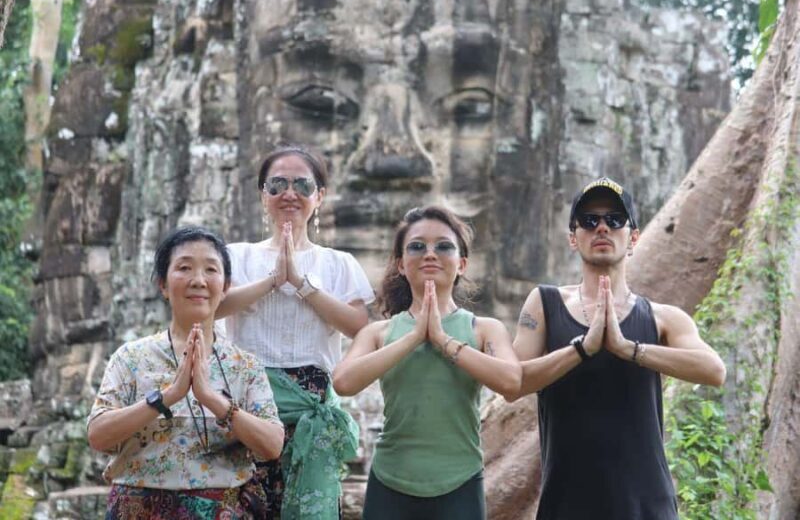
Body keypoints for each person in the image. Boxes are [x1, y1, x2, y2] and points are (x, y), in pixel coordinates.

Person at [512, 177, 727, 520]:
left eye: (614, 220)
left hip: (646, 505)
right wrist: (582, 350)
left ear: (633, 237)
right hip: (567, 503)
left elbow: (714, 370)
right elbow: (514, 382)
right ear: (573, 237)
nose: (601, 228)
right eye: (589, 220)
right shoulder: (544, 304)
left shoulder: (662, 318)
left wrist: (629, 349)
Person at [215, 144, 374, 519]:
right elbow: (212, 307)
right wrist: (271, 281)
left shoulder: (338, 264)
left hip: (311, 404)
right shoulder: (236, 256)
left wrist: (303, 285)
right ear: (263, 195)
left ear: (319, 196)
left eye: (302, 185)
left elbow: (358, 326)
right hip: (246, 403)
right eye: (278, 184)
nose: (290, 193)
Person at [333, 205, 521, 520]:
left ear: (461, 264)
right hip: (391, 480)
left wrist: (445, 342)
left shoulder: (484, 328)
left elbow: (511, 382)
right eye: (417, 246)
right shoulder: (379, 332)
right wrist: (413, 337)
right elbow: (343, 382)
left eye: (443, 246)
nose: (430, 254)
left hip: (460, 480)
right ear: (401, 265)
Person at [87, 226, 285, 519]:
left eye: (210, 270)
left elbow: (271, 445)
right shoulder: (131, 357)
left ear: (226, 286)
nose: (198, 280)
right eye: (184, 268)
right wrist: (166, 397)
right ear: (163, 285)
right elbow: (98, 435)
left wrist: (212, 399)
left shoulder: (244, 365)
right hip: (139, 510)